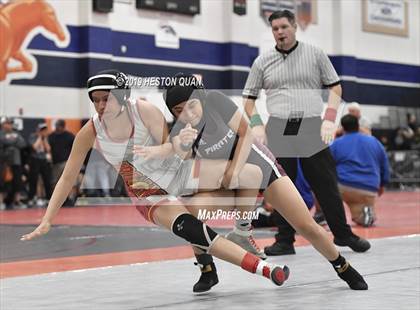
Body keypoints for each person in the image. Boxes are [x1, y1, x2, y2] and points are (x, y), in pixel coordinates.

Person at [20, 69, 291, 293]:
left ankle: (242, 232)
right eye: (96, 101)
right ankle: (264, 270)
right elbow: (68, 176)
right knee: (191, 227)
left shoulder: (145, 112)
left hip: (176, 172)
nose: (101, 106)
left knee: (248, 174)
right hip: (146, 190)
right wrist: (47, 218)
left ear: (123, 96)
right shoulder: (90, 131)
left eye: (107, 99)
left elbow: (174, 149)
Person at [164, 73, 368, 290]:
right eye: (179, 111)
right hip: (231, 182)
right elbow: (185, 166)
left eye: (192, 106)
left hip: (259, 168)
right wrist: (184, 147)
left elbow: (246, 134)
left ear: (201, 98)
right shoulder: (179, 130)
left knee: (306, 225)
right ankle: (207, 269)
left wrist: (234, 170)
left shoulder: (214, 99)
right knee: (191, 208)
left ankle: (342, 265)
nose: (188, 114)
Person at [242, 10, 371, 256]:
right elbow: (248, 99)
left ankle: (343, 235)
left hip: (312, 125)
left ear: (294, 27)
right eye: (275, 29)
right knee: (280, 186)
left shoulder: (315, 54)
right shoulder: (262, 62)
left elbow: (335, 86)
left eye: (283, 27)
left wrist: (329, 119)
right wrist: (257, 124)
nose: (279, 32)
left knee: (325, 183)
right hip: (279, 127)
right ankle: (284, 240)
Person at [330, 115, 390, 227]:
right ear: (358, 126)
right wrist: (382, 184)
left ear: (342, 128)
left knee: (322, 191)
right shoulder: (374, 142)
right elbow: (384, 164)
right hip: (369, 189)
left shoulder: (336, 144)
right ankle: (366, 213)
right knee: (361, 218)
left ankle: (322, 214)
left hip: (343, 187)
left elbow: (327, 166)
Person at [0, 116, 26, 209]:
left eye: (10, 123)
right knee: (3, 182)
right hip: (4, 162)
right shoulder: (1, 134)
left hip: (16, 161)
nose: (9, 125)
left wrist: (11, 141)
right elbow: (3, 141)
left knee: (17, 181)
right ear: (3, 125)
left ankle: (16, 201)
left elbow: (22, 144)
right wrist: (13, 140)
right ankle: (2, 201)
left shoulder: (16, 134)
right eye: (7, 123)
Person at [27, 123, 53, 207]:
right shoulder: (32, 136)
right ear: (38, 130)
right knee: (33, 179)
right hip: (35, 160)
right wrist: (39, 137)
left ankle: (48, 198)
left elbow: (48, 149)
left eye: (45, 130)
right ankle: (32, 198)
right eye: (42, 130)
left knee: (47, 179)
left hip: (43, 160)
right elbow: (34, 147)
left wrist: (44, 139)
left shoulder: (46, 138)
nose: (44, 132)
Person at [48, 119, 75, 187]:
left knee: (67, 180)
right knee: (54, 181)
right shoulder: (51, 136)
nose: (56, 128)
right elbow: (48, 149)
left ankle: (69, 197)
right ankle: (54, 197)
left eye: (58, 126)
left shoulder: (69, 136)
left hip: (66, 162)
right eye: (56, 126)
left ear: (63, 126)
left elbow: (75, 148)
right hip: (55, 163)